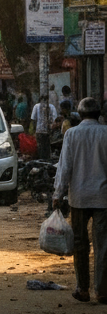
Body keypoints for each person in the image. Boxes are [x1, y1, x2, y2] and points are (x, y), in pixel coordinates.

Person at [52, 97, 107, 303]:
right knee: (103, 245)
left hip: (79, 198)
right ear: (98, 113)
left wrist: (58, 194)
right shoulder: (106, 133)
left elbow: (64, 167)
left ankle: (82, 288)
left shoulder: (72, 134)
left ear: (79, 114)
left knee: (80, 243)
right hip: (103, 198)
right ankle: (102, 291)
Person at [31, 94, 57, 160]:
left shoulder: (36, 106)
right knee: (47, 147)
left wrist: (34, 131)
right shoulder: (52, 107)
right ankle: (46, 160)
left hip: (39, 131)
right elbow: (55, 120)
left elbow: (33, 120)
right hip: (48, 131)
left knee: (40, 147)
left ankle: (42, 160)